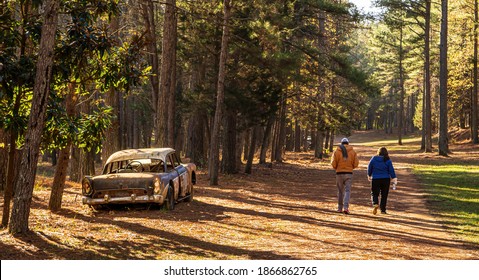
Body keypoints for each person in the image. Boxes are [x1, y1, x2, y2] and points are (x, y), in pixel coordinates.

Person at [331, 138, 359, 214]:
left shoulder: (336, 151)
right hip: (348, 173)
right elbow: (356, 163)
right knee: (347, 191)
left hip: (339, 173)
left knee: (340, 191)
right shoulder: (352, 152)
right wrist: (350, 167)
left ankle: (339, 208)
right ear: (348, 143)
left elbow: (333, 163)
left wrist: (337, 168)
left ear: (341, 143)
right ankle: (346, 208)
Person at [367, 147, 397, 215]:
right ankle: (383, 210)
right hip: (385, 179)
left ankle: (375, 203)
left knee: (374, 193)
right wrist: (394, 177)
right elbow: (391, 170)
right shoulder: (387, 160)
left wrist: (369, 174)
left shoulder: (374, 159)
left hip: (375, 178)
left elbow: (370, 167)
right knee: (384, 194)